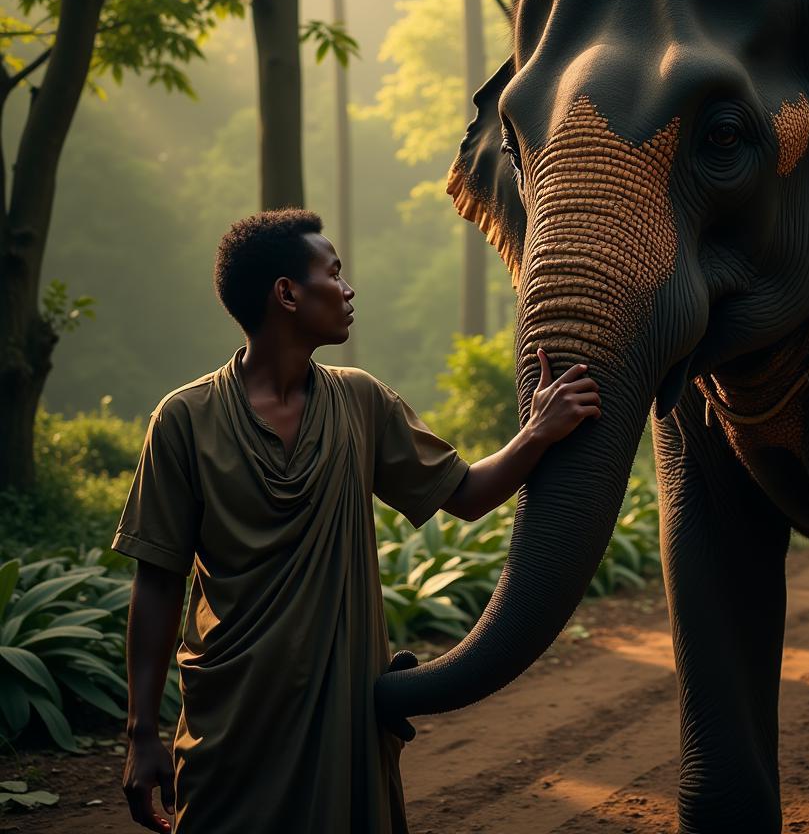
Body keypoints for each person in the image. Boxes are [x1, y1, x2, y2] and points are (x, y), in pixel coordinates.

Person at [112, 208, 601, 833]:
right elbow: (157, 581)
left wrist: (536, 433)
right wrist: (141, 732)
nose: (348, 289)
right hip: (230, 724)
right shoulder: (184, 420)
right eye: (333, 273)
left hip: (343, 719)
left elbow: (467, 493)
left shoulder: (360, 401)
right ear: (287, 293)